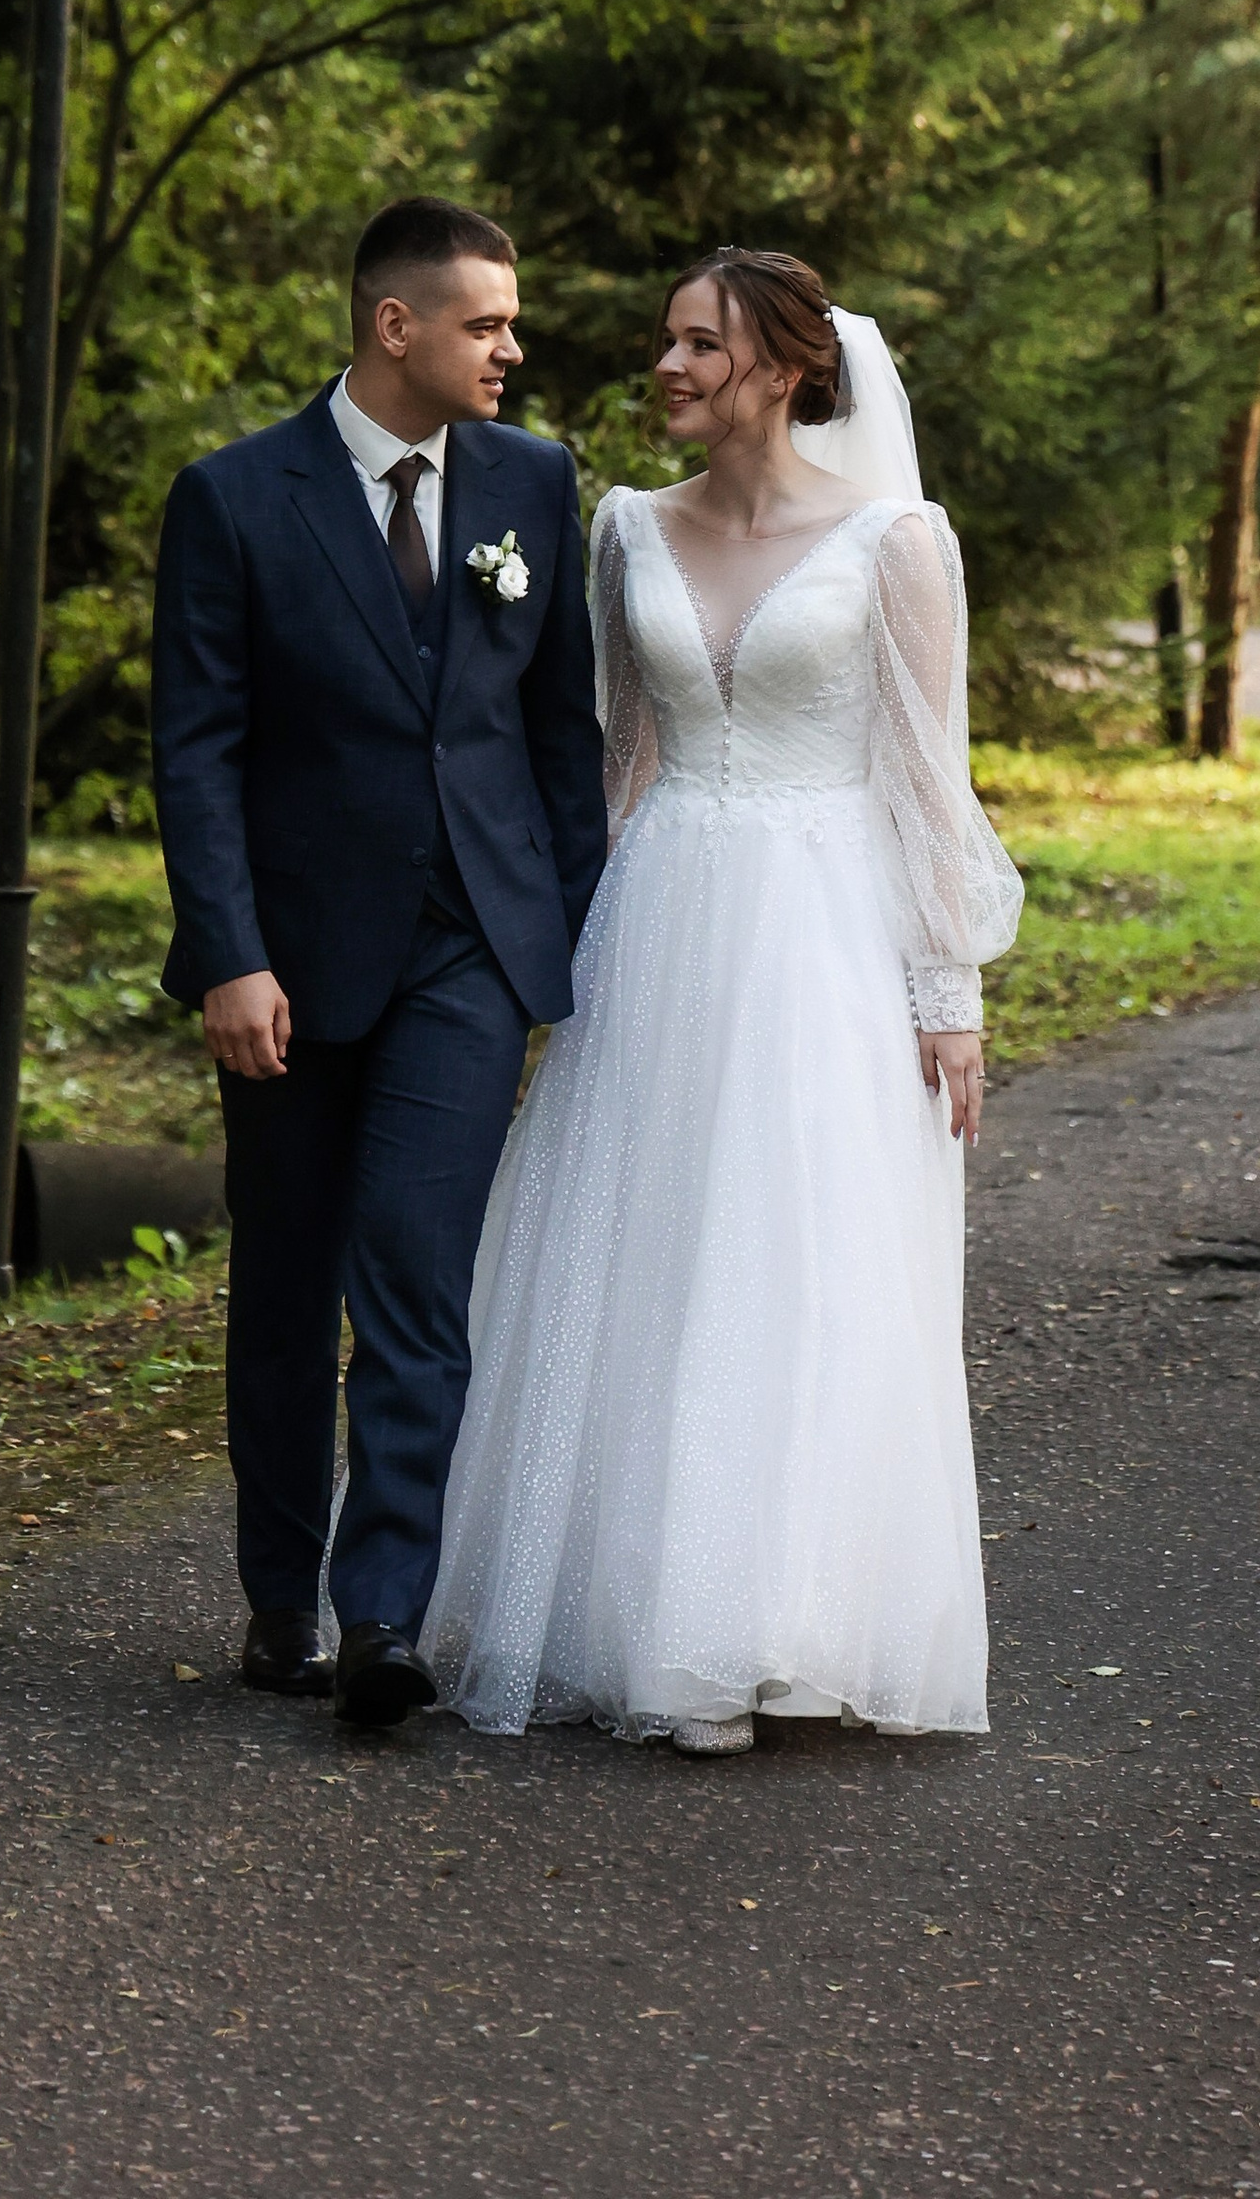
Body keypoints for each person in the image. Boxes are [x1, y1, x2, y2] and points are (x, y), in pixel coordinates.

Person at [423, 247, 1022, 1752]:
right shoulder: (628, 532)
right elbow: (618, 760)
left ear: (786, 367)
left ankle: (771, 1623)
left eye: (701, 344)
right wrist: (561, 957)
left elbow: (923, 774)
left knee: (798, 1263)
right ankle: (652, 1622)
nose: (670, 366)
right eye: (669, 342)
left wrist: (945, 992)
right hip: (665, 916)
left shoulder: (897, 542)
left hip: (827, 933)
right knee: (654, 1253)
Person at [151, 197, 608, 1727]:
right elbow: (197, 752)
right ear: (393, 327)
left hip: (469, 946)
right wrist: (230, 956)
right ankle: (281, 1592)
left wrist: (575, 930)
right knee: (284, 1284)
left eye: (512, 321)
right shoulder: (232, 499)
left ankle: (385, 1619)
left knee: (415, 1270)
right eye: (485, 323)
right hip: (288, 961)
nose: (512, 348)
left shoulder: (534, 483)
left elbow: (560, 736)